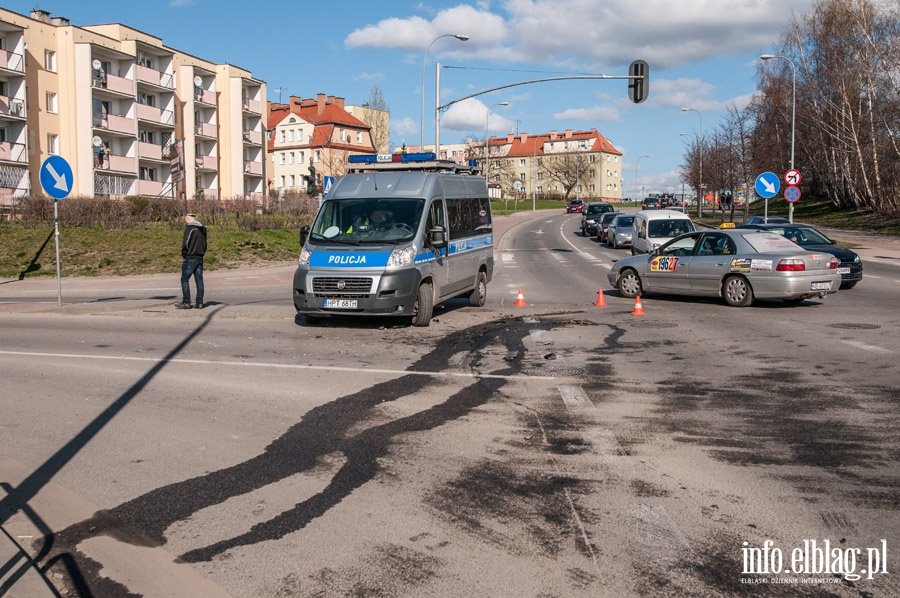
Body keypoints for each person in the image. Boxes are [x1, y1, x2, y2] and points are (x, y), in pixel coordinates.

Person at [175, 213, 207, 309]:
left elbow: (186, 243)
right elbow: (205, 243)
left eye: (185, 220)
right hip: (200, 257)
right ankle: (199, 302)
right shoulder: (202, 229)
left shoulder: (190, 228)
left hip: (190, 257)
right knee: (199, 280)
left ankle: (186, 302)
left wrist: (184, 254)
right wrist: (202, 252)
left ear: (188, 219)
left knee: (184, 279)